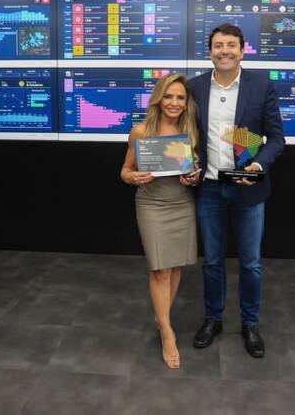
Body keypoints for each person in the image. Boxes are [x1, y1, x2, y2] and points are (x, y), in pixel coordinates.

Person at [189, 23, 285, 358]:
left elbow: (276, 139)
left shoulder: (261, 86)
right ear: (210, 51)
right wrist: (187, 162)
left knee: (251, 264)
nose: (224, 51)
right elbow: (189, 136)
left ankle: (250, 324)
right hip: (209, 189)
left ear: (242, 51)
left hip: (248, 189)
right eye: (218, 45)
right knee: (212, 261)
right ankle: (213, 319)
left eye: (231, 45)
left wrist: (256, 166)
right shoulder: (195, 87)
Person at [120, 73, 202, 369]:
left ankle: (161, 317)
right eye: (169, 96)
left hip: (182, 203)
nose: (174, 102)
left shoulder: (190, 131)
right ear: (158, 99)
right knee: (159, 270)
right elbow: (125, 170)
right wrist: (134, 177)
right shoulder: (141, 131)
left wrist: (194, 177)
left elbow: (195, 171)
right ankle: (168, 333)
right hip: (152, 204)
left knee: (175, 266)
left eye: (180, 97)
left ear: (186, 102)